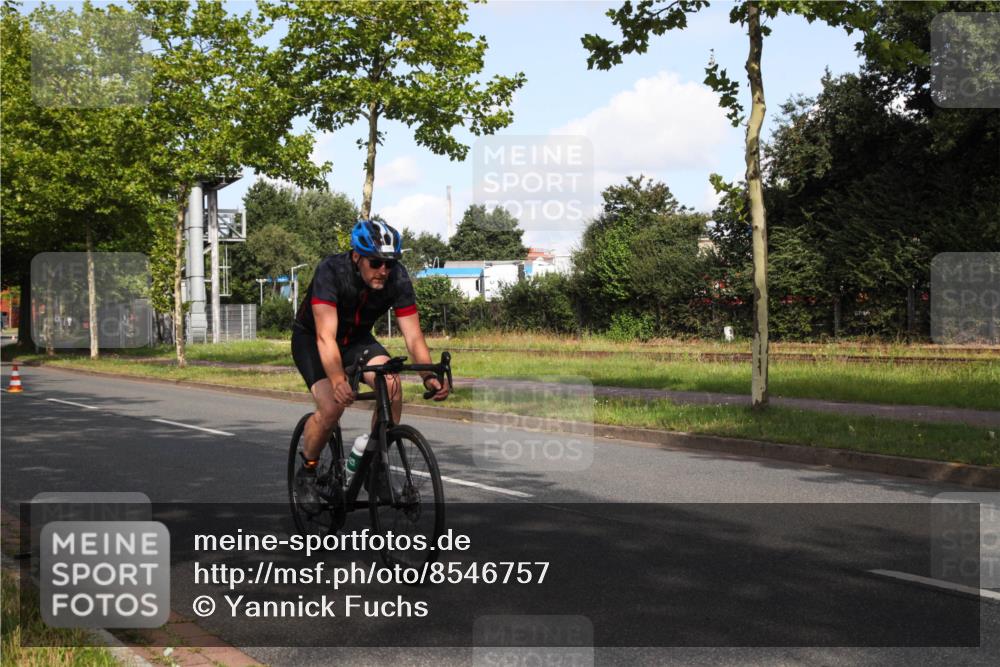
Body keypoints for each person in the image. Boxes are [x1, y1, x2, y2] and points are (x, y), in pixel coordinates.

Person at [291, 219, 450, 507]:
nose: (384, 270)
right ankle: (307, 471)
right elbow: (325, 337)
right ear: (356, 256)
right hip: (313, 339)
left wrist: (429, 375)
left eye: (389, 263)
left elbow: (413, 337)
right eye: (376, 263)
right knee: (331, 407)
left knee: (391, 384)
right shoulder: (331, 271)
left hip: (357, 340)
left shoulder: (397, 278)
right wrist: (339, 381)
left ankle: (375, 465)